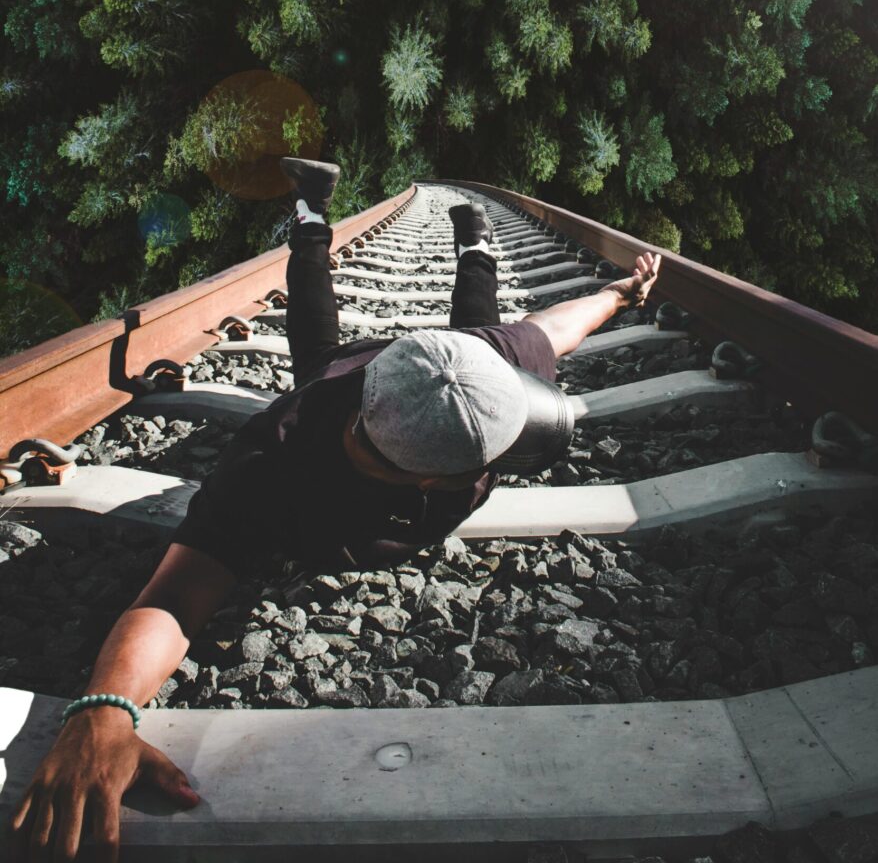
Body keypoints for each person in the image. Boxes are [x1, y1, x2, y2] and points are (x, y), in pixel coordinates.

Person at [8, 158, 661, 862]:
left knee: (484, 332)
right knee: (316, 349)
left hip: (408, 368)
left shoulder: (474, 361)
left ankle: (469, 240)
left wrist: (622, 294)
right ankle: (310, 214)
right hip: (337, 380)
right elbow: (176, 591)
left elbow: (552, 328)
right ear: (433, 486)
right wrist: (103, 709)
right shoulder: (269, 469)